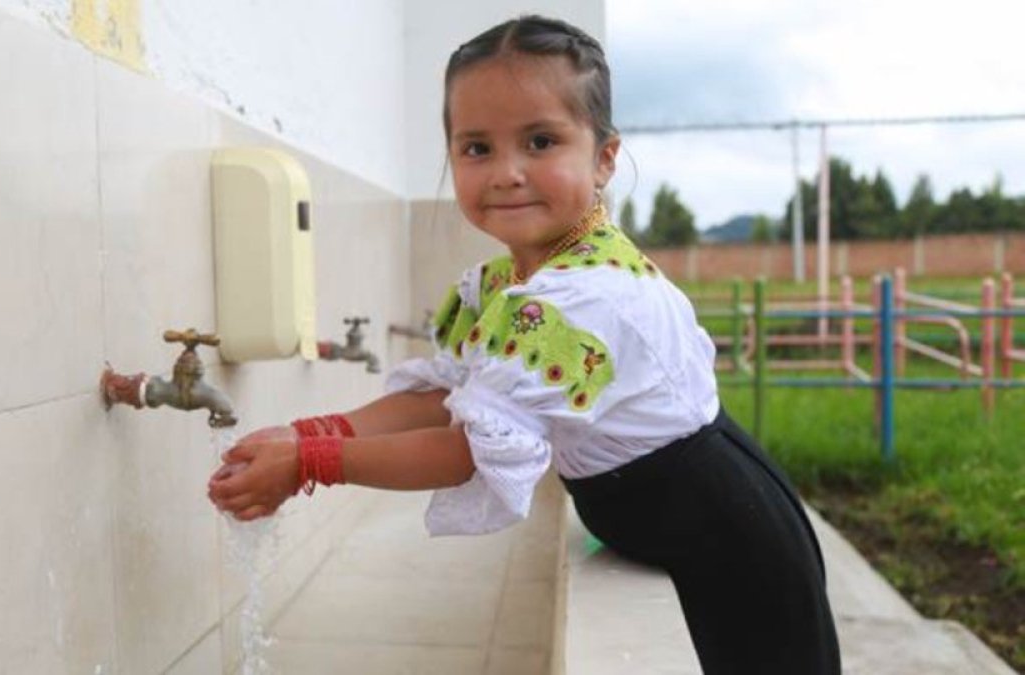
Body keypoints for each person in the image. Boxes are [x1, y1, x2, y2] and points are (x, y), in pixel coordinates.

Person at [207, 15, 841, 674]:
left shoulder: (580, 296)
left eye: (540, 140)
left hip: (730, 538)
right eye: (476, 148)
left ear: (603, 158)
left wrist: (310, 460)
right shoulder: (507, 282)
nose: (506, 172)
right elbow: (445, 395)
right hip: (676, 518)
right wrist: (312, 428)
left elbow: (462, 451)